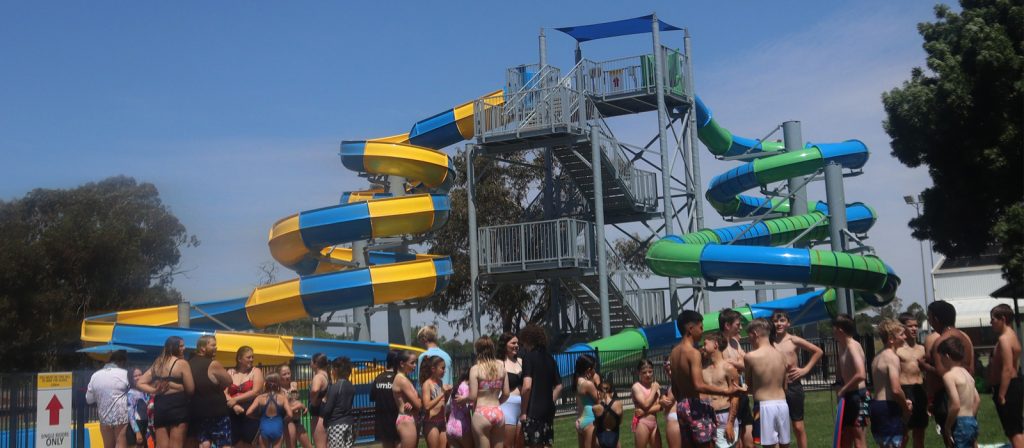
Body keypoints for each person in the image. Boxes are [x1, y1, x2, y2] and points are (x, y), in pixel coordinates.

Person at [670, 310, 743, 448]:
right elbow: (698, 385)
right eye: (701, 327)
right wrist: (726, 392)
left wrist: (682, 403)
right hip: (695, 406)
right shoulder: (693, 353)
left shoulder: (674, 353)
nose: (702, 332)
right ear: (691, 329)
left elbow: (675, 388)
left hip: (681, 406)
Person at [920, 301, 973, 436]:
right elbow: (970, 368)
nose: (929, 321)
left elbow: (941, 373)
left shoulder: (941, 341)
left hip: (947, 397)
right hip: (967, 393)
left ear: (936, 319)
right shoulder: (964, 337)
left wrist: (925, 366)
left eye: (930, 317)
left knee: (951, 438)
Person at [770, 310, 822, 448]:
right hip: (776, 388)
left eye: (782, 321)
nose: (779, 324)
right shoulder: (769, 342)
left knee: (798, 426)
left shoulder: (794, 340)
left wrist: (804, 369)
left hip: (794, 387)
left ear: (788, 323)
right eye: (775, 321)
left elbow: (818, 351)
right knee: (779, 427)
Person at [137, 336, 195, 448]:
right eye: (181, 346)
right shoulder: (182, 363)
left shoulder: (159, 362)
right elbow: (191, 389)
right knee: (176, 444)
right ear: (174, 347)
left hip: (161, 405)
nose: (184, 348)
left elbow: (140, 383)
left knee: (162, 445)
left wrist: (154, 391)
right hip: (178, 405)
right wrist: (180, 388)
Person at [743, 318, 790, 448]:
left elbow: (748, 386)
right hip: (782, 403)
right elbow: (785, 385)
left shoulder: (750, 356)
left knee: (768, 446)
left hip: (764, 406)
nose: (749, 339)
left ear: (755, 334)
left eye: (749, 336)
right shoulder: (781, 355)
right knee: (784, 444)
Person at [869, 319, 912, 448]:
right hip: (888, 408)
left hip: (876, 406)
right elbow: (896, 389)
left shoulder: (877, 357)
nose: (905, 337)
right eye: (901, 334)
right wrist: (905, 408)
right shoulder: (892, 357)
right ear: (891, 339)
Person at [518, 324, 563, 448]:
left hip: (533, 411)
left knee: (534, 444)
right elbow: (559, 386)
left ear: (528, 340)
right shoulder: (550, 359)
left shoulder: (528, 357)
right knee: (546, 442)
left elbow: (527, 386)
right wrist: (550, 400)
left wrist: (523, 411)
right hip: (548, 410)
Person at [188, 335, 233, 448]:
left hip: (198, 412)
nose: (216, 347)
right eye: (212, 345)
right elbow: (228, 381)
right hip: (217, 413)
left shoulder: (189, 364)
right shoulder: (213, 364)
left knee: (204, 443)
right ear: (203, 348)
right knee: (224, 443)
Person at [988, 303, 1023, 447]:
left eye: (993, 320)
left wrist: (1001, 394)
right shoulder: (1012, 335)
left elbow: (1008, 368)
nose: (991, 323)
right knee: (1015, 428)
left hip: (1008, 388)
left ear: (1002, 318)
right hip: (1013, 386)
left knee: (1013, 430)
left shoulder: (1004, 339)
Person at [719, 309, 753, 448]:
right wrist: (738, 363)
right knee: (735, 440)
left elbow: (747, 363)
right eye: (737, 324)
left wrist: (736, 363)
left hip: (741, 393)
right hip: (729, 396)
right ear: (727, 325)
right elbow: (723, 368)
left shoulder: (734, 342)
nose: (740, 327)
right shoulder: (718, 344)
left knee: (749, 438)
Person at [937, 338, 980, 448]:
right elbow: (977, 400)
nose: (940, 360)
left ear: (946, 356)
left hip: (959, 423)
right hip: (971, 421)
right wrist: (971, 418)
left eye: (941, 357)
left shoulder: (949, 376)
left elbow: (955, 404)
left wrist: (947, 427)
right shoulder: (967, 375)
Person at [833, 314, 868, 448]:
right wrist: (837, 383)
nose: (833, 331)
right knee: (845, 435)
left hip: (857, 396)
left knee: (858, 436)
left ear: (840, 330)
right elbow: (840, 368)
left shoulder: (853, 346)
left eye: (834, 328)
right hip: (847, 396)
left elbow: (861, 374)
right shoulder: (841, 346)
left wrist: (843, 388)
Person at [86, 349, 131, 448]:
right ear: (121, 362)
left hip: (104, 416)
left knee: (107, 446)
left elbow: (89, 399)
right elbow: (131, 394)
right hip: (121, 415)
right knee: (120, 443)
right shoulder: (124, 373)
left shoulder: (95, 375)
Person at [701, 331, 739, 448]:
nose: (703, 347)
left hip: (725, 415)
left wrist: (730, 424)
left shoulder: (728, 368)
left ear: (715, 345)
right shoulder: (702, 369)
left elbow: (735, 397)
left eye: (705, 344)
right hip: (707, 417)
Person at [896, 312, 928, 448]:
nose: (914, 329)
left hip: (920, 390)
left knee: (919, 432)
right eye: (910, 326)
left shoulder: (922, 349)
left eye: (916, 326)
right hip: (905, 390)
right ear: (903, 328)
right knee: (903, 433)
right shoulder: (897, 350)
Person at [470, 337, 508, 448]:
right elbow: (506, 393)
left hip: (481, 412)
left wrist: (463, 399)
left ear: (478, 350)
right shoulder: (501, 368)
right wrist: (498, 403)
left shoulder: (475, 369)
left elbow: (472, 396)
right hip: (497, 411)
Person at [227, 346, 264, 448]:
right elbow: (224, 392)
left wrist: (235, 399)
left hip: (250, 413)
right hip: (233, 413)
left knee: (249, 443)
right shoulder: (230, 372)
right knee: (235, 443)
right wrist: (234, 405)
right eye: (248, 357)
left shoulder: (256, 371)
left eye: (252, 357)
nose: (251, 359)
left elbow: (256, 391)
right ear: (239, 359)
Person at [245, 372, 291, 448]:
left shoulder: (260, 398)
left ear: (265, 384)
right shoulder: (282, 398)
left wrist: (257, 418)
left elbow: (248, 413)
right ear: (278, 384)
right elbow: (290, 414)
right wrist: (283, 420)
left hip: (265, 425)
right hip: (277, 425)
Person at [392, 350, 425, 448]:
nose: (415, 365)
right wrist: (423, 398)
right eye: (412, 363)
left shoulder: (406, 378)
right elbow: (419, 405)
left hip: (411, 418)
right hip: (407, 420)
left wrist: (413, 403)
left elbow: (416, 402)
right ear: (402, 364)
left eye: (415, 362)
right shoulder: (402, 380)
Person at [321, 357, 355, 448]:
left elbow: (327, 409)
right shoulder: (351, 386)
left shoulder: (336, 387)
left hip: (336, 424)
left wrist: (324, 401)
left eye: (332, 369)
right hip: (348, 423)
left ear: (336, 369)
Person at [369, 351, 400, 448]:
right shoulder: (400, 378)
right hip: (398, 418)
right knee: (399, 442)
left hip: (382, 420)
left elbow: (372, 397)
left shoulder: (379, 378)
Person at [498, 333, 524, 448]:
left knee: (521, 445)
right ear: (505, 345)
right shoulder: (499, 363)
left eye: (517, 343)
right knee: (508, 445)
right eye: (513, 343)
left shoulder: (521, 361)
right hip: (507, 406)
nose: (516, 345)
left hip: (522, 406)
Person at [278, 365, 313, 448]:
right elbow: (282, 409)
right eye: (284, 374)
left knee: (309, 446)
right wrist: (299, 406)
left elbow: (295, 401)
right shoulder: (278, 390)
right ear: (279, 376)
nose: (287, 376)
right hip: (287, 422)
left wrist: (304, 408)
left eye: (288, 373)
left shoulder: (294, 385)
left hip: (297, 421)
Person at [632, 359, 663, 448]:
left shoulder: (655, 386)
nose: (648, 375)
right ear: (639, 373)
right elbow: (645, 404)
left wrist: (644, 412)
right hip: (642, 423)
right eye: (644, 372)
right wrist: (653, 390)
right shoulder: (637, 387)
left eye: (650, 372)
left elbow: (660, 406)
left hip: (654, 423)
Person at [421, 356, 451, 448]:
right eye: (442, 368)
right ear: (433, 369)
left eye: (445, 368)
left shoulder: (440, 382)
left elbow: (443, 402)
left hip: (442, 421)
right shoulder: (427, 384)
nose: (444, 371)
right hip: (431, 422)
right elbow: (426, 406)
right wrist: (443, 393)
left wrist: (448, 394)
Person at [574, 354, 599, 448]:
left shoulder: (577, 382)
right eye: (594, 368)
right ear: (588, 370)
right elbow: (600, 400)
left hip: (581, 420)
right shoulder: (588, 384)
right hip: (590, 419)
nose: (595, 371)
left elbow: (580, 404)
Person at [447, 367, 474, 448]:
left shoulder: (456, 386)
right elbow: (469, 408)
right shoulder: (466, 388)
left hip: (450, 426)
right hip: (462, 427)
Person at [592, 377, 622, 448]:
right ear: (612, 392)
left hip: (600, 439)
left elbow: (596, 423)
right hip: (614, 437)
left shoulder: (595, 408)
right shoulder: (619, 404)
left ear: (599, 393)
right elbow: (620, 421)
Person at [309, 353, 331, 448]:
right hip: (326, 416)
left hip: (318, 417)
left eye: (311, 361)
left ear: (315, 363)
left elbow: (315, 390)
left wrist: (313, 402)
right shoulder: (327, 375)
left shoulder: (318, 377)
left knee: (320, 446)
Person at [659, 359, 682, 448]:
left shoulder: (677, 383)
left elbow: (667, 403)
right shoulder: (673, 384)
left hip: (674, 421)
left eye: (671, 369)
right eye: (667, 370)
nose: (669, 372)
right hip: (673, 420)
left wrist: (660, 400)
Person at [126, 368, 151, 447]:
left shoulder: (145, 391)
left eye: (140, 375)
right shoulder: (131, 393)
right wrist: (137, 431)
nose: (138, 377)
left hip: (145, 424)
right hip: (136, 425)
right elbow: (130, 415)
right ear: (131, 378)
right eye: (135, 376)